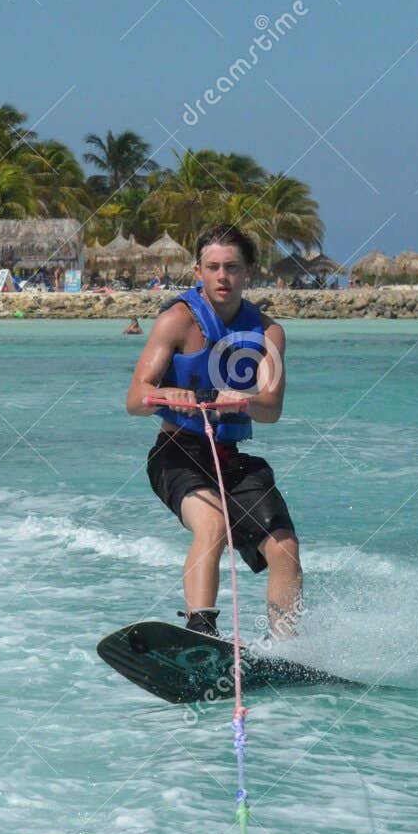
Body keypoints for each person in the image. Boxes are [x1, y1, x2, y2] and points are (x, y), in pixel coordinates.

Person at [124, 223, 300, 640]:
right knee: (214, 525)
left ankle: (287, 647)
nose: (223, 277)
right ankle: (202, 632)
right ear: (198, 270)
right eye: (214, 267)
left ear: (248, 272)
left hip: (230, 457)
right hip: (176, 453)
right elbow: (134, 400)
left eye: (232, 267)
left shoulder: (268, 333)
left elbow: (271, 410)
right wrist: (168, 394)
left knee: (284, 547)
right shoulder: (176, 322)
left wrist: (240, 401)